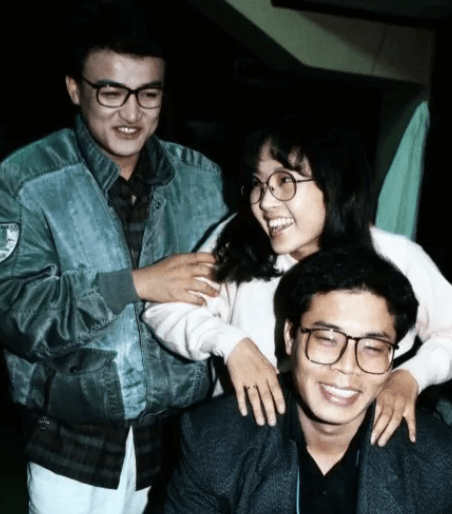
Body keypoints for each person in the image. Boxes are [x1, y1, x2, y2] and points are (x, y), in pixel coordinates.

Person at [0, 2, 228, 514]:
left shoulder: (201, 180)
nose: (131, 113)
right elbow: (16, 310)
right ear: (74, 88)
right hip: (72, 436)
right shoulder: (27, 178)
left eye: (148, 94)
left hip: (174, 439)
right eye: (111, 92)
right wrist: (135, 284)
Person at [145, 248, 452, 514]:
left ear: (392, 357)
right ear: (291, 336)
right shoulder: (219, 440)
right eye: (326, 339)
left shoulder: (433, 459)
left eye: (372, 347)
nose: (346, 367)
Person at [143, 115, 452, 446]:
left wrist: (411, 376)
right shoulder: (240, 241)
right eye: (259, 183)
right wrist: (231, 343)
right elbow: (164, 310)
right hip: (248, 445)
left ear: (332, 184)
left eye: (285, 181)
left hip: (358, 448)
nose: (265, 202)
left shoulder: (396, 257)